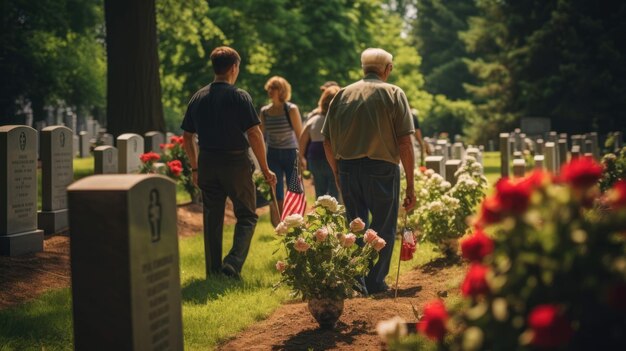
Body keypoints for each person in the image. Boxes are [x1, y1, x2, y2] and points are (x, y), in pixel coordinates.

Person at [322, 48, 416, 294]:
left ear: (364, 68)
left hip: (348, 168)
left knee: (355, 226)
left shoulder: (341, 94)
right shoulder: (394, 93)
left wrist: (336, 173)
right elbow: (405, 142)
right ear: (387, 69)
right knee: (383, 225)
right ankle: (375, 281)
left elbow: (328, 141)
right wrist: (412, 185)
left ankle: (356, 280)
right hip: (382, 168)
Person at [181, 46, 277, 279]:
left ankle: (213, 271)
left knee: (212, 217)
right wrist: (265, 168)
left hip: (207, 162)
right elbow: (254, 133)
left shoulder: (198, 97)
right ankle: (232, 264)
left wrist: (195, 167)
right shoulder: (239, 96)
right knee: (247, 215)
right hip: (235, 164)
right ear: (234, 67)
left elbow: (186, 136)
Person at [259, 76, 303, 223]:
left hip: (291, 153)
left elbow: (299, 134)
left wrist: (302, 156)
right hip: (273, 154)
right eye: (269, 88)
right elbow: (261, 136)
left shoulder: (291, 109)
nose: (270, 91)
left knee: (294, 189)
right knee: (276, 190)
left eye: (274, 88)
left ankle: (296, 221)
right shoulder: (264, 111)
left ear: (282, 90)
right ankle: (279, 223)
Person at [299, 85, 340, 199]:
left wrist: (300, 158)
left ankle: (321, 215)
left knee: (320, 192)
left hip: (315, 159)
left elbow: (302, 139)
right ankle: (334, 216)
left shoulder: (313, 119)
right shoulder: (338, 119)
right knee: (334, 192)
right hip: (332, 157)